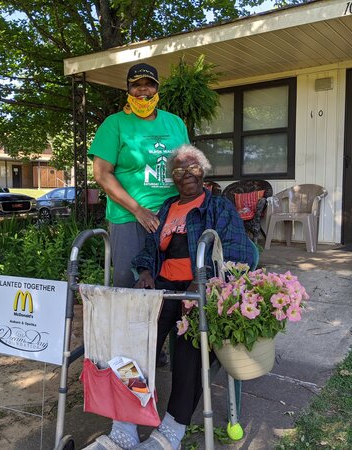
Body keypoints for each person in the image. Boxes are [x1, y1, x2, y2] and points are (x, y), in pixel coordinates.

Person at [86, 145, 256, 450]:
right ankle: (124, 425)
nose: (185, 174)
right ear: (173, 178)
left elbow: (236, 251)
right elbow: (150, 248)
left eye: (192, 168)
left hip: (200, 292)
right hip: (163, 288)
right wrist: (145, 272)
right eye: (178, 170)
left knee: (189, 354)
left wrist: (204, 281)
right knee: (130, 348)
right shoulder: (166, 209)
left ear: (203, 172)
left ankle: (171, 432)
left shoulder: (218, 207)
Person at [88, 62, 189, 289]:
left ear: (157, 88)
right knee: (130, 285)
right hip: (129, 218)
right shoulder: (114, 124)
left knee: (172, 281)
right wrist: (138, 210)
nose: (143, 90)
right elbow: (102, 174)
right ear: (128, 89)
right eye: (137, 85)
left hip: (172, 217)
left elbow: (185, 167)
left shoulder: (175, 123)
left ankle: (167, 326)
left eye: (149, 84)